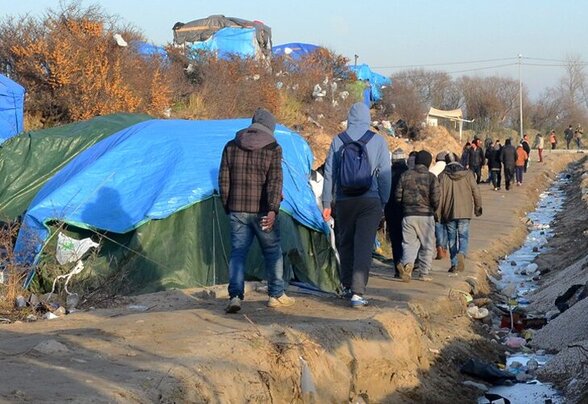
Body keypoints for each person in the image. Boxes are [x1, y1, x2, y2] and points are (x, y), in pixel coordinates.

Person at [218, 108, 295, 313]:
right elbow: (275, 182)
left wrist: (228, 205)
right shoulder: (273, 147)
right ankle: (276, 295)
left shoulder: (231, 146)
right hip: (262, 211)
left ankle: (235, 296)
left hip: (237, 209)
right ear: (270, 126)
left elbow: (223, 180)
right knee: (272, 252)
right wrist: (272, 210)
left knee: (238, 253)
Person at [322, 102, 391, 308]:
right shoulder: (378, 141)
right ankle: (358, 293)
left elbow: (329, 173)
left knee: (345, 243)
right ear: (367, 118)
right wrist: (383, 201)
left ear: (350, 117)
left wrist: (327, 202)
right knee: (363, 244)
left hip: (344, 200)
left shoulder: (338, 140)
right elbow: (385, 175)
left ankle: (345, 286)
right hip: (370, 200)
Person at [395, 150, 440, 282]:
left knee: (408, 243)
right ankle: (424, 273)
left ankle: (408, 264)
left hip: (408, 215)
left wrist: (403, 208)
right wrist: (433, 209)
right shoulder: (431, 177)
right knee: (427, 245)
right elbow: (436, 198)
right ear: (428, 162)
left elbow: (398, 196)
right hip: (426, 215)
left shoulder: (405, 175)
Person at [438, 153, 483, 273]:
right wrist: (478, 207)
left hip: (448, 212)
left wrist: (437, 213)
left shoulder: (442, 176)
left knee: (451, 239)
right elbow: (476, 191)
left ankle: (454, 264)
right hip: (465, 211)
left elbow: (439, 197)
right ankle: (462, 253)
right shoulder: (468, 174)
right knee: (463, 236)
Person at [384, 148, 409, 275]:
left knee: (395, 240)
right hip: (406, 210)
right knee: (408, 239)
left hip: (391, 210)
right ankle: (406, 264)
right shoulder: (408, 173)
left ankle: (397, 266)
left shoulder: (387, 173)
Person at [429, 151, 448, 259]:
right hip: (448, 201)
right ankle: (444, 248)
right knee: (446, 225)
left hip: (436, 202)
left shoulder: (432, 170)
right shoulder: (449, 170)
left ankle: (439, 247)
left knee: (438, 225)